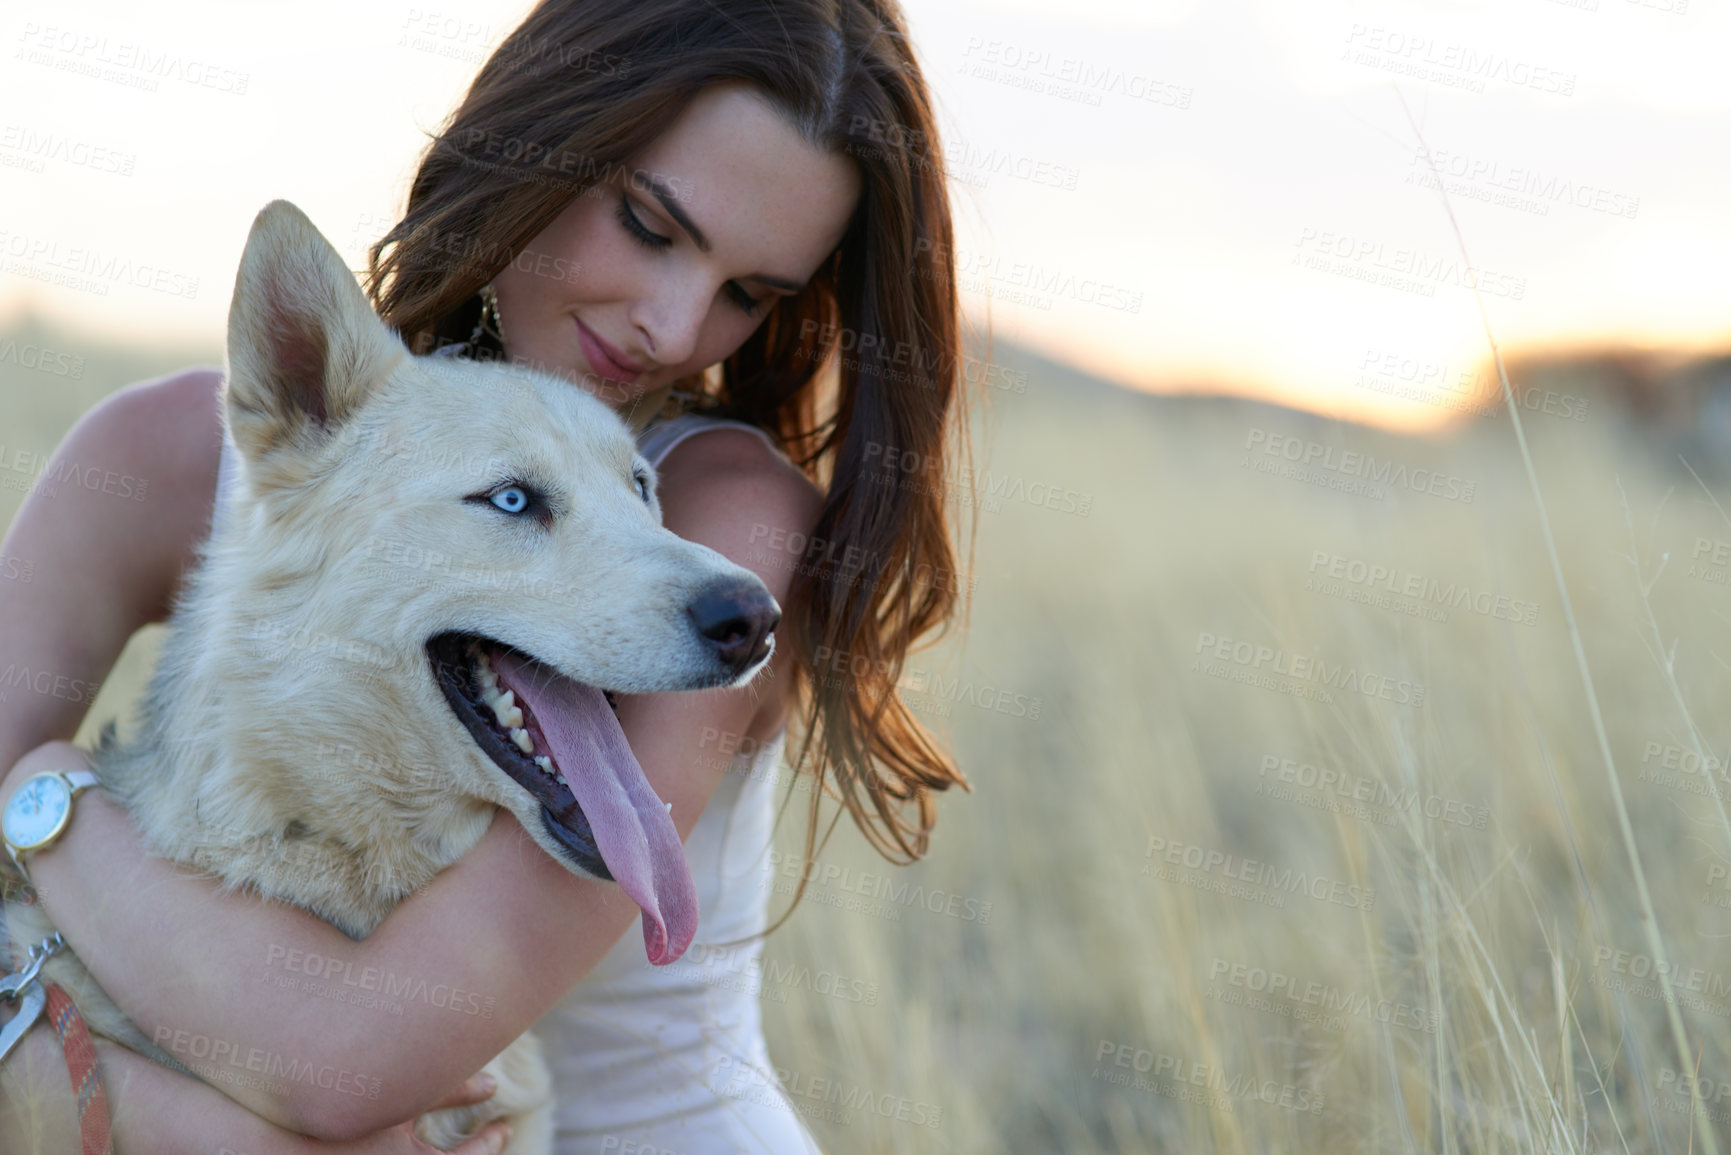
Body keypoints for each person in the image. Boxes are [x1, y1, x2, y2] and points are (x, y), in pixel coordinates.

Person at [0, 0, 971, 1151]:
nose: (669, 327)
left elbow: (344, 1064)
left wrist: (43, 808)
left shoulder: (727, 527)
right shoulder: (168, 456)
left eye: (747, 294)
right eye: (651, 226)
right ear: (541, 136)